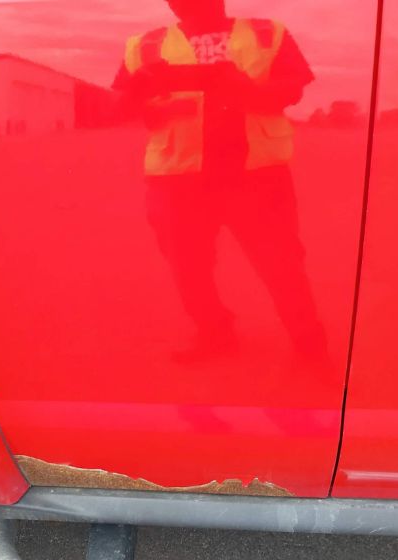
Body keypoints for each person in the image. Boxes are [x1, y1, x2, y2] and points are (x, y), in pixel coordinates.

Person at [114, 0, 327, 365]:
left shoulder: (267, 33)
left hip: (255, 174)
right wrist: (143, 98)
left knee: (281, 264)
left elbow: (293, 90)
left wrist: (248, 93)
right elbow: (119, 106)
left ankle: (310, 347)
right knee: (188, 267)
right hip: (178, 178)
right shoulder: (145, 45)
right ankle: (215, 334)